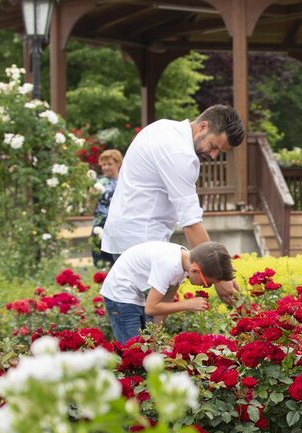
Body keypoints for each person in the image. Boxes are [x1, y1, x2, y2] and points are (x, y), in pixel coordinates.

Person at [101, 105, 244, 303]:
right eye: (214, 146)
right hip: (140, 238)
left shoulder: (164, 128)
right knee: (143, 321)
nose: (213, 156)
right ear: (203, 126)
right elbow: (191, 223)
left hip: (129, 233)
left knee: (146, 320)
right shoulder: (179, 154)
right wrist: (219, 277)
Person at [100, 240, 235, 344]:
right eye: (207, 283)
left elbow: (166, 300)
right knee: (132, 349)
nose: (206, 287)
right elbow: (151, 308)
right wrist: (188, 304)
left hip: (134, 292)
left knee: (146, 347)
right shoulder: (169, 265)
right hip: (119, 294)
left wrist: (155, 336)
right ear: (195, 270)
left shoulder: (185, 262)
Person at [90, 149, 123, 269]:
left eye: (109, 164)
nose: (106, 167)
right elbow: (90, 207)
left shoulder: (125, 181)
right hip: (100, 225)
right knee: (101, 262)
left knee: (119, 262)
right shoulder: (98, 183)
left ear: (118, 163)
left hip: (119, 225)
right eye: (103, 165)